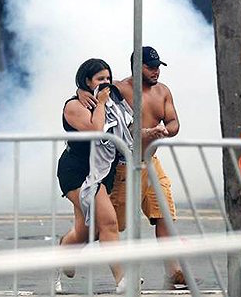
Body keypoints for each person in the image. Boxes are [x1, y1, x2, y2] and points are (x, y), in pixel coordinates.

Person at [78, 46, 187, 289]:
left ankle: (175, 271)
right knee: (108, 225)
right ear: (138, 67)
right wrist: (80, 91)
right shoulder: (118, 88)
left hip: (151, 161)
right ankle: (69, 246)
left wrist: (164, 131)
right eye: (150, 67)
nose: (156, 71)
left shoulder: (163, 91)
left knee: (165, 215)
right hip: (124, 166)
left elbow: (174, 121)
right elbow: (93, 93)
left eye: (158, 66)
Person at [55, 58, 135, 294]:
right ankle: (122, 280)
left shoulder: (113, 100)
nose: (105, 83)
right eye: (100, 79)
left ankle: (60, 257)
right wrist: (98, 102)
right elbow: (96, 130)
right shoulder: (74, 106)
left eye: (108, 78)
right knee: (108, 222)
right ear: (87, 82)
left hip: (101, 171)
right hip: (77, 172)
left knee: (83, 232)